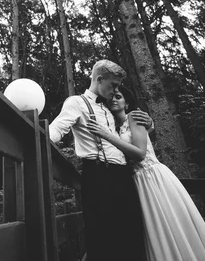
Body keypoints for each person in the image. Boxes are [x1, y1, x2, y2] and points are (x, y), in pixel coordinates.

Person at [86, 85, 205, 261]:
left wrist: (107, 135)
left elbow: (140, 153)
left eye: (118, 96)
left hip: (152, 177)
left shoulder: (134, 117)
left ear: (127, 103)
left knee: (169, 222)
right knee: (153, 229)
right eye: (110, 98)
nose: (113, 99)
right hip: (136, 183)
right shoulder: (115, 126)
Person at [49, 60, 151, 261]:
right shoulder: (76, 102)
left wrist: (150, 122)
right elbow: (57, 129)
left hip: (124, 175)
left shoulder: (109, 108)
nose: (116, 90)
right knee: (102, 233)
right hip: (98, 174)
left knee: (131, 230)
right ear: (99, 79)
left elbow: (128, 129)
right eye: (113, 85)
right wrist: (37, 134)